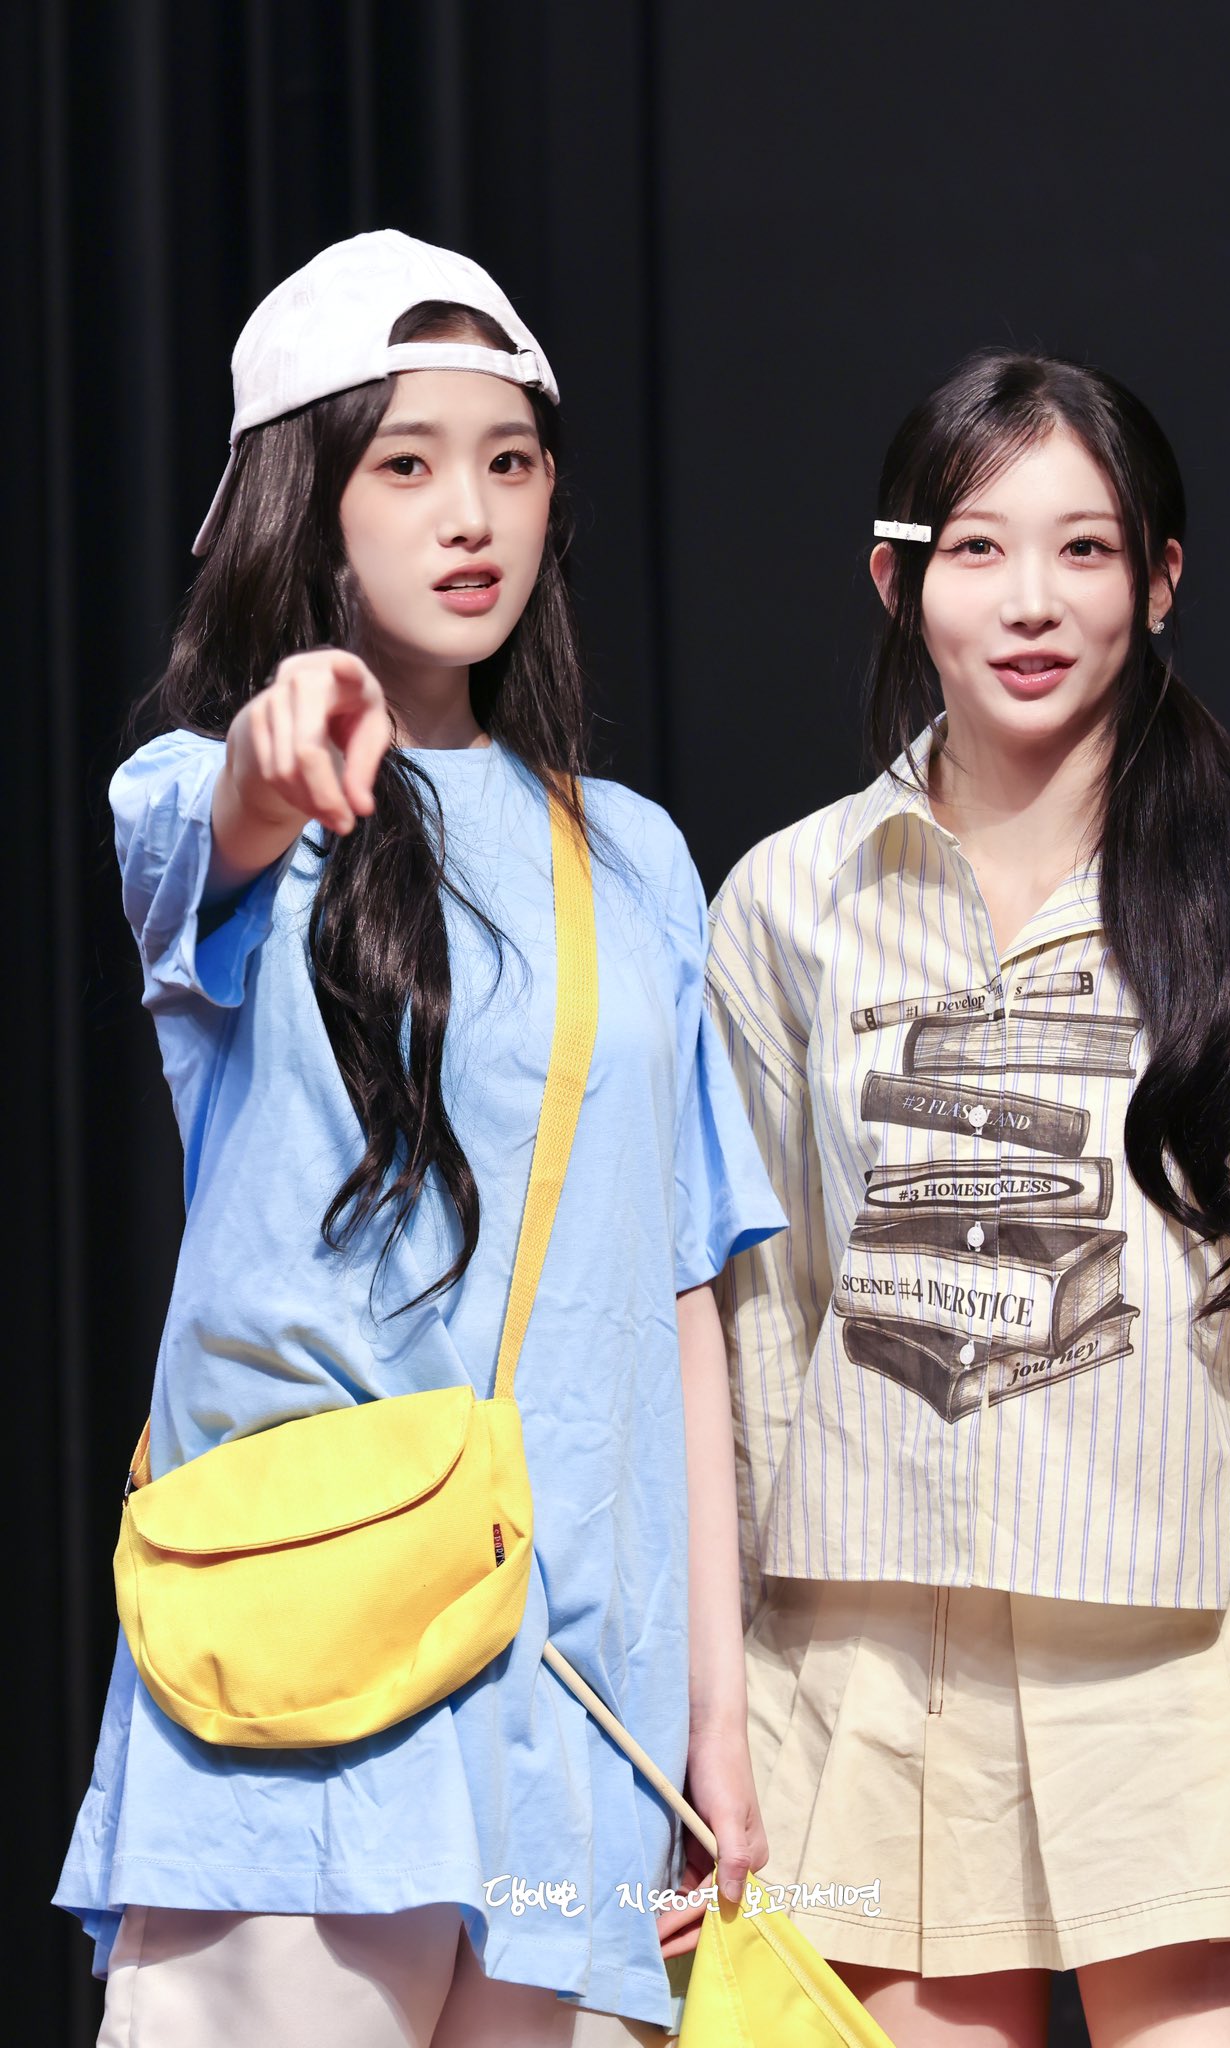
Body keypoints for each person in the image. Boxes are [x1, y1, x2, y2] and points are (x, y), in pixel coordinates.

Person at [55, 229, 781, 2048]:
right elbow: (221, 809)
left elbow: (676, 1295)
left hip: (580, 1705)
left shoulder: (633, 855)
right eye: (407, 463)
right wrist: (275, 741)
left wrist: (719, 1713)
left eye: (509, 461)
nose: (471, 513)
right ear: (306, 506)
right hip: (313, 1681)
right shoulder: (205, 793)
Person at [704, 351, 1230, 2048]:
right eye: (977, 548)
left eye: (1084, 549)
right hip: (862, 1690)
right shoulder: (785, 902)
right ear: (896, 579)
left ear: (1159, 580)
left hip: (1175, 1691)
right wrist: (732, 1719)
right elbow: (761, 1347)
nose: (1029, 600)